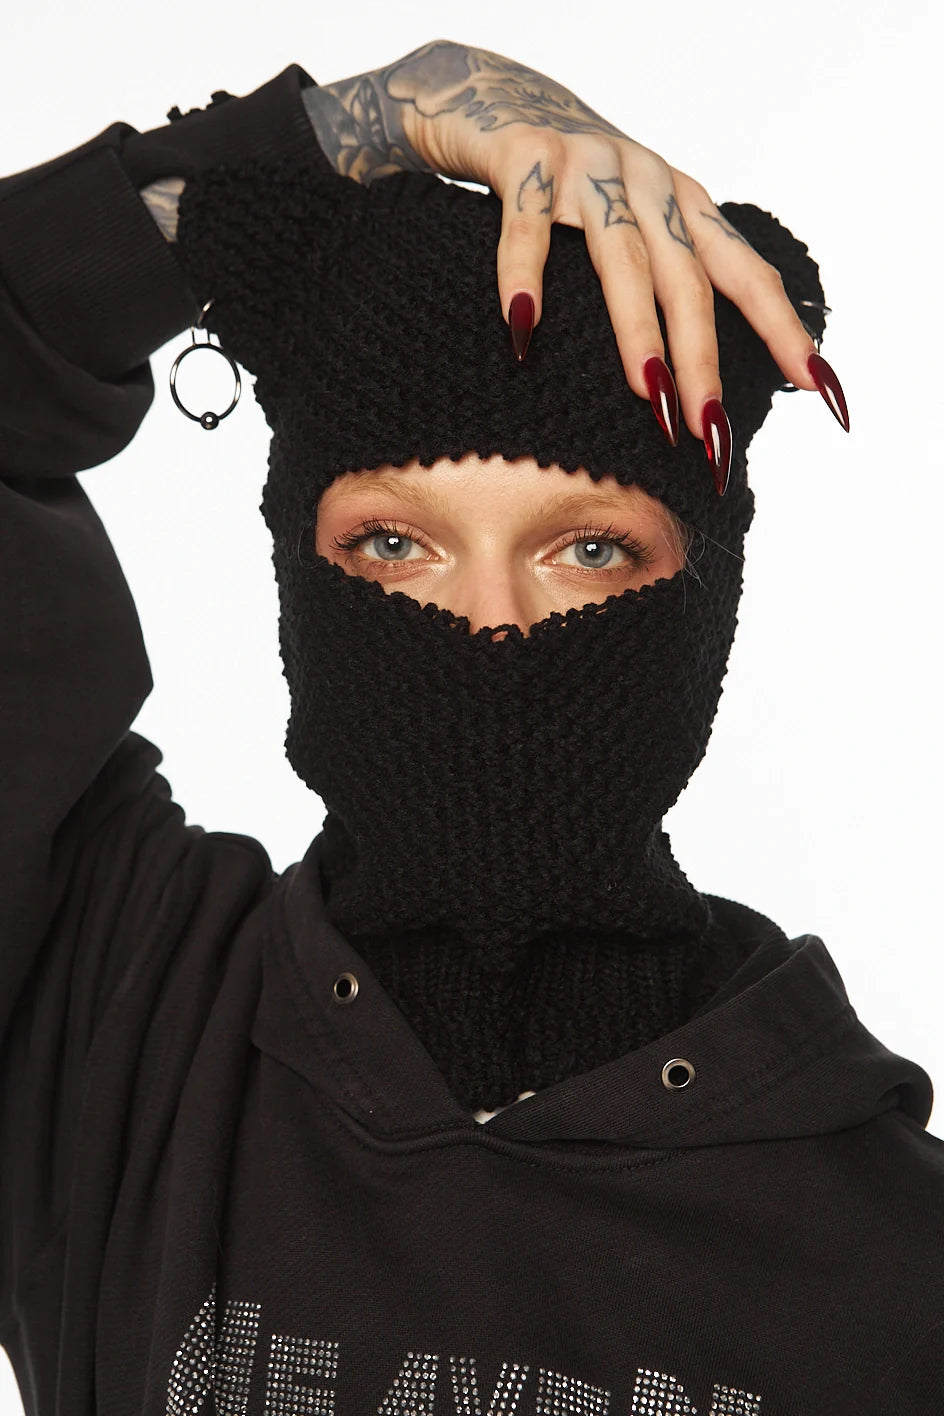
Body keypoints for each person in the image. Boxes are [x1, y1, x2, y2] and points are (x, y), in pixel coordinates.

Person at [0, 38, 940, 1416]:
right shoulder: (120, 1014)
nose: (493, 626)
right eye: (394, 544)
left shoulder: (899, 1271)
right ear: (295, 567)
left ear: (710, 601)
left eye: (589, 552)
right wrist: (346, 127)